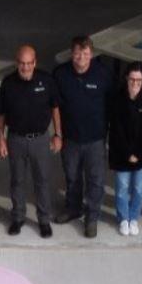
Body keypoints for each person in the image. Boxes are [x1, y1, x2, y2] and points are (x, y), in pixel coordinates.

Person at [51, 35, 115, 237]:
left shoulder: (103, 74)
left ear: (92, 54)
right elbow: (55, 107)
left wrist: (110, 135)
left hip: (95, 139)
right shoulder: (60, 74)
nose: (81, 58)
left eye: (86, 54)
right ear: (72, 53)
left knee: (96, 180)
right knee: (72, 176)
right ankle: (73, 208)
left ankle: (92, 217)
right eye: (78, 53)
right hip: (70, 138)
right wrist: (58, 134)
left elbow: (112, 104)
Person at [0, 44, 61, 238]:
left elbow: (55, 108)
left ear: (35, 62)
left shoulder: (46, 80)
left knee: (42, 181)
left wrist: (58, 134)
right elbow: (1, 113)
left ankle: (44, 220)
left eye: (29, 63)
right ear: (17, 63)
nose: (25, 67)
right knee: (17, 181)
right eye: (22, 63)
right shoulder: (8, 83)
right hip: (16, 139)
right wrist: (1, 138)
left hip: (40, 140)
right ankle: (18, 218)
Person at [107, 62, 142, 236]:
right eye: (132, 79)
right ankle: (123, 218)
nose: (135, 83)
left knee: (138, 188)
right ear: (126, 78)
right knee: (122, 187)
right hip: (121, 152)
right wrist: (127, 153)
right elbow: (116, 129)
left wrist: (137, 153)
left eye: (139, 80)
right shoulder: (116, 97)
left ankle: (134, 218)